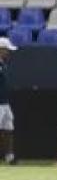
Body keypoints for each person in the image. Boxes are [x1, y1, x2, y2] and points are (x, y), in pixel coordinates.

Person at [0, 37, 18, 165]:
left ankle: (9, 157)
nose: (9, 53)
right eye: (7, 50)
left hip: (5, 103)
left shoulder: (3, 64)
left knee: (8, 129)